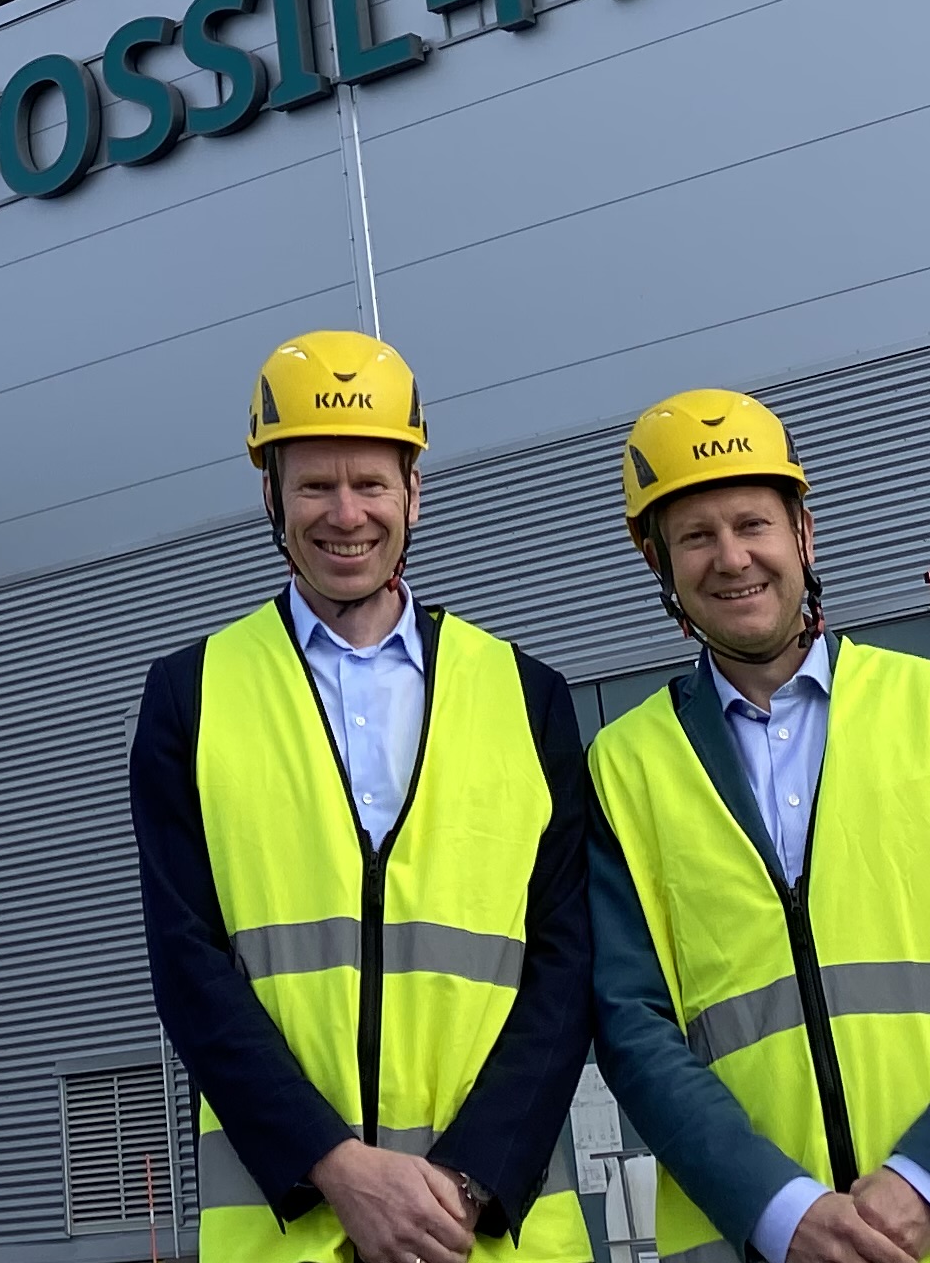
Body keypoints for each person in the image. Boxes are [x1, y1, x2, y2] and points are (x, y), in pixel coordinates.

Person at [584, 392, 930, 1263]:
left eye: (753, 524)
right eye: (696, 536)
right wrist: (781, 1211)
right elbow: (631, 1027)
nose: (731, 558)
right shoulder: (621, 766)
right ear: (659, 563)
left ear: (804, 534)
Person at [132, 331, 597, 1263]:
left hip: (489, 1234)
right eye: (315, 485)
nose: (346, 514)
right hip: (294, 1232)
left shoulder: (527, 694)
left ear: (414, 493)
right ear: (272, 497)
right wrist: (336, 1167)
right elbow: (187, 963)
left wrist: (468, 1181)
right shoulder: (191, 695)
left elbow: (568, 960)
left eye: (371, 483)